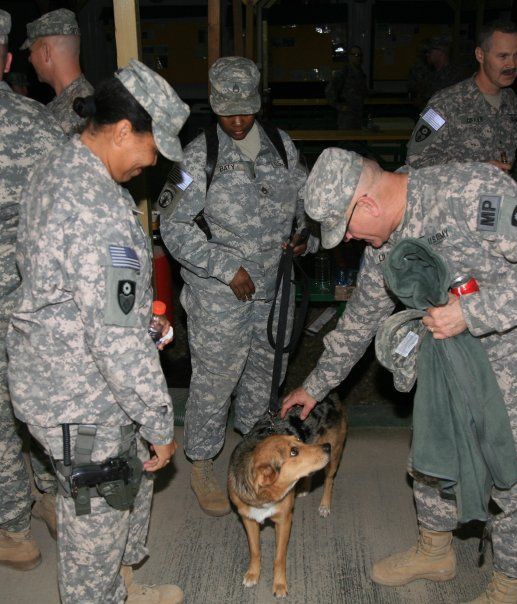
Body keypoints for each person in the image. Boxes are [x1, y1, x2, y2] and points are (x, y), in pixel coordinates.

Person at [282, 147, 517, 603]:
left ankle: (508, 587)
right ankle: (435, 552)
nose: (348, 238)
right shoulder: (384, 243)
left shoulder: (470, 192)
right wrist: (315, 386)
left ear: (367, 203)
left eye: (346, 227)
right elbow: (360, 320)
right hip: (449, 361)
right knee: (433, 451)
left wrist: (472, 312)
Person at [7, 59, 189, 604]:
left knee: (116, 495)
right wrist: (159, 419)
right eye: (154, 148)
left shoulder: (58, 163)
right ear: (124, 130)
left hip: (59, 376)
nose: (153, 163)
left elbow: (73, 290)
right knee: (95, 522)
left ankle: (123, 586)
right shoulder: (99, 211)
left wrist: (139, 316)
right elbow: (114, 341)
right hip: (83, 402)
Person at [159, 56, 312, 517]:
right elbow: (172, 224)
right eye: (228, 112)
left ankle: (250, 452)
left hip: (275, 289)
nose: (239, 120)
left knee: (265, 378)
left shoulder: (282, 146)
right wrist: (225, 268)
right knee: (216, 380)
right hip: (219, 296)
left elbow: (307, 207)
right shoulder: (196, 156)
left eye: (246, 109)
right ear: (213, 104)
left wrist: (305, 237)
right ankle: (203, 463)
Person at [0, 8, 64, 570]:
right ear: (5, 61)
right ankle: (52, 497)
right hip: (32, 301)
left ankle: (15, 529)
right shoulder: (38, 124)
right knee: (37, 403)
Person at [406, 19, 517, 172]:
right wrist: (475, 169)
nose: (512, 64)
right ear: (480, 55)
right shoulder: (445, 102)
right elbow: (415, 158)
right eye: (503, 56)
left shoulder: (510, 99)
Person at [22, 8, 94, 135]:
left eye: (31, 51)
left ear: (46, 51)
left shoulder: (81, 113)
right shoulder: (82, 103)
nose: (30, 59)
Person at [408, 35, 463, 112]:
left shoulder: (454, 75)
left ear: (440, 52)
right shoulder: (429, 72)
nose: (427, 54)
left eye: (430, 52)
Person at [325, 45, 369, 129]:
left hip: (359, 114)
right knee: (347, 135)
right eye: (354, 55)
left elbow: (362, 91)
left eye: (359, 55)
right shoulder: (343, 73)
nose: (357, 57)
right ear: (349, 56)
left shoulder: (360, 73)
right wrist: (340, 107)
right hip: (346, 116)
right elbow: (329, 91)